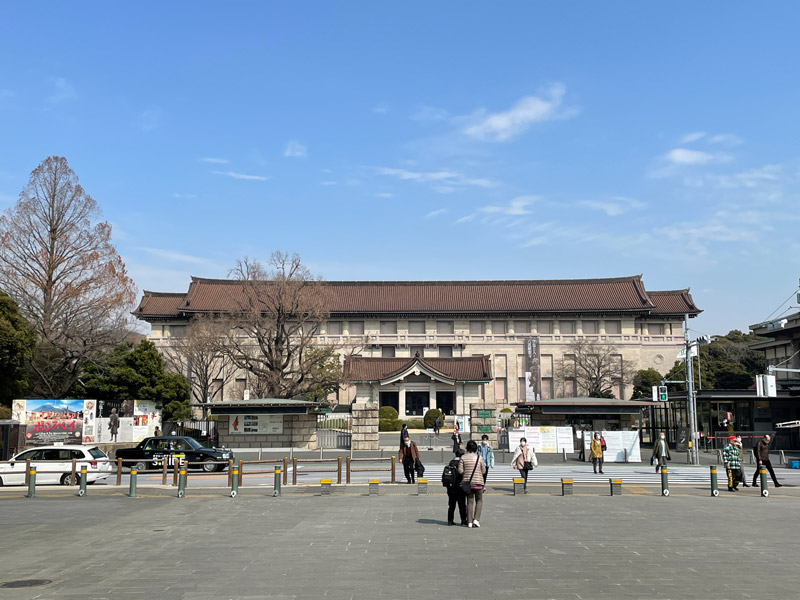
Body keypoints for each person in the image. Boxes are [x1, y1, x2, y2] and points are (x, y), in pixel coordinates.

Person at [458, 440, 486, 528]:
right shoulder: (479, 457)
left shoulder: (463, 457)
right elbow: (483, 471)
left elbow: (460, 471)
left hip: (468, 483)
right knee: (479, 500)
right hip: (478, 482)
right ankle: (476, 520)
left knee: (469, 501)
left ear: (467, 448)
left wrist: (466, 473)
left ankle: (469, 521)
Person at [444, 450, 468, 526]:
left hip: (451, 488)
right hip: (460, 488)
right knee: (462, 505)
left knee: (451, 505)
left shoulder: (451, 463)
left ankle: (450, 520)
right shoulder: (462, 463)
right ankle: (463, 520)